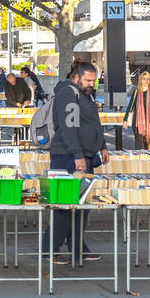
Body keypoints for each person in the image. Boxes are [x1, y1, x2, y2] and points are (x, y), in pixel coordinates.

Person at [45, 61, 107, 264]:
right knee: (64, 206)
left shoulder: (84, 94)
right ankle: (50, 248)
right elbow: (68, 127)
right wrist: (78, 155)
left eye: (94, 80)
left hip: (85, 156)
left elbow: (93, 122)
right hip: (68, 157)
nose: (92, 84)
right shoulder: (68, 94)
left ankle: (78, 247)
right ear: (77, 77)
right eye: (88, 80)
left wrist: (102, 145)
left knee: (81, 207)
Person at [126, 69, 150, 150]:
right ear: (140, 80)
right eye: (144, 79)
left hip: (149, 123)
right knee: (138, 146)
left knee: (148, 146)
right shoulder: (136, 92)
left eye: (148, 79)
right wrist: (125, 119)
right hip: (137, 122)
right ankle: (139, 161)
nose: (146, 81)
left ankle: (148, 162)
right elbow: (130, 106)